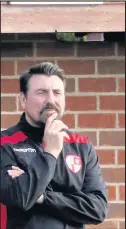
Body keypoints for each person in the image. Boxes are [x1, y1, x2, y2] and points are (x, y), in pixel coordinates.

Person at [0, 62, 108, 229]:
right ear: (23, 99)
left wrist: (42, 196)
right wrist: (50, 152)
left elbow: (98, 209)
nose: (51, 100)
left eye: (57, 93)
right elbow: (21, 198)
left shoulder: (81, 145)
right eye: (41, 93)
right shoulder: (5, 144)